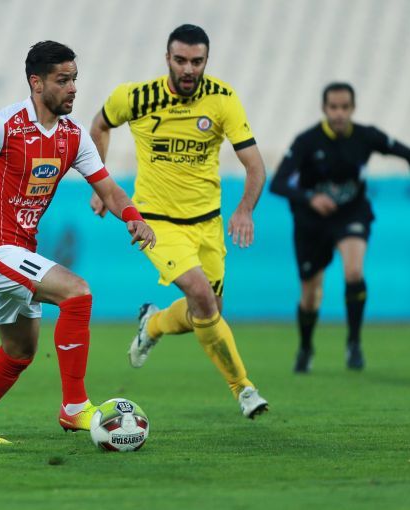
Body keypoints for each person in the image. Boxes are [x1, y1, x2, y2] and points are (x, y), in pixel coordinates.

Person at [0, 41, 156, 444]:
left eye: (75, 79)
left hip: (19, 252)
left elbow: (109, 189)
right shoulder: (2, 125)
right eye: (63, 80)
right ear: (36, 82)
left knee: (19, 352)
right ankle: (75, 407)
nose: (73, 88)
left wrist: (133, 217)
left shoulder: (73, 137)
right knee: (77, 292)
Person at [89, 24, 268, 419]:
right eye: (181, 60)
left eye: (197, 61)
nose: (189, 69)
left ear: (206, 61)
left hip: (207, 223)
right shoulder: (134, 97)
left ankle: (153, 324)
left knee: (208, 311)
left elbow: (255, 165)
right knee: (201, 296)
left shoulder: (222, 99)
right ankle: (244, 389)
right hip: (155, 221)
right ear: (167, 59)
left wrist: (244, 209)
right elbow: (99, 125)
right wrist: (101, 185)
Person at [270, 82, 410, 373]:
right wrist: (311, 198)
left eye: (344, 107)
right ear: (324, 109)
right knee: (310, 296)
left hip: (351, 213)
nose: (339, 113)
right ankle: (306, 347)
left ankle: (353, 343)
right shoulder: (307, 141)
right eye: (333, 107)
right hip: (311, 221)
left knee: (353, 271)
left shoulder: (365, 136)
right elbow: (277, 183)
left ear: (353, 108)